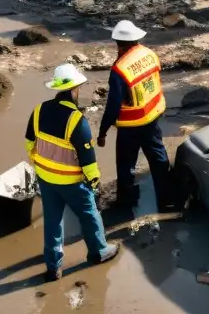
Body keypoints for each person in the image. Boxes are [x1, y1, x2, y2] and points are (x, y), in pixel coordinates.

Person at [26, 64, 120, 282]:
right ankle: (98, 252)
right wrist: (94, 181)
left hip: (46, 180)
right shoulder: (77, 120)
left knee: (52, 221)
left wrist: (41, 165)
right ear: (74, 89)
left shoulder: (38, 111)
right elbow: (88, 159)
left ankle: (53, 267)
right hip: (72, 182)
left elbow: (29, 142)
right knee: (89, 215)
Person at [97, 21, 173, 210]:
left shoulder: (119, 69)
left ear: (119, 43)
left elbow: (113, 105)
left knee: (125, 164)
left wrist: (103, 131)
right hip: (152, 117)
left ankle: (127, 201)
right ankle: (167, 200)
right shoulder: (149, 54)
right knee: (159, 159)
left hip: (130, 125)